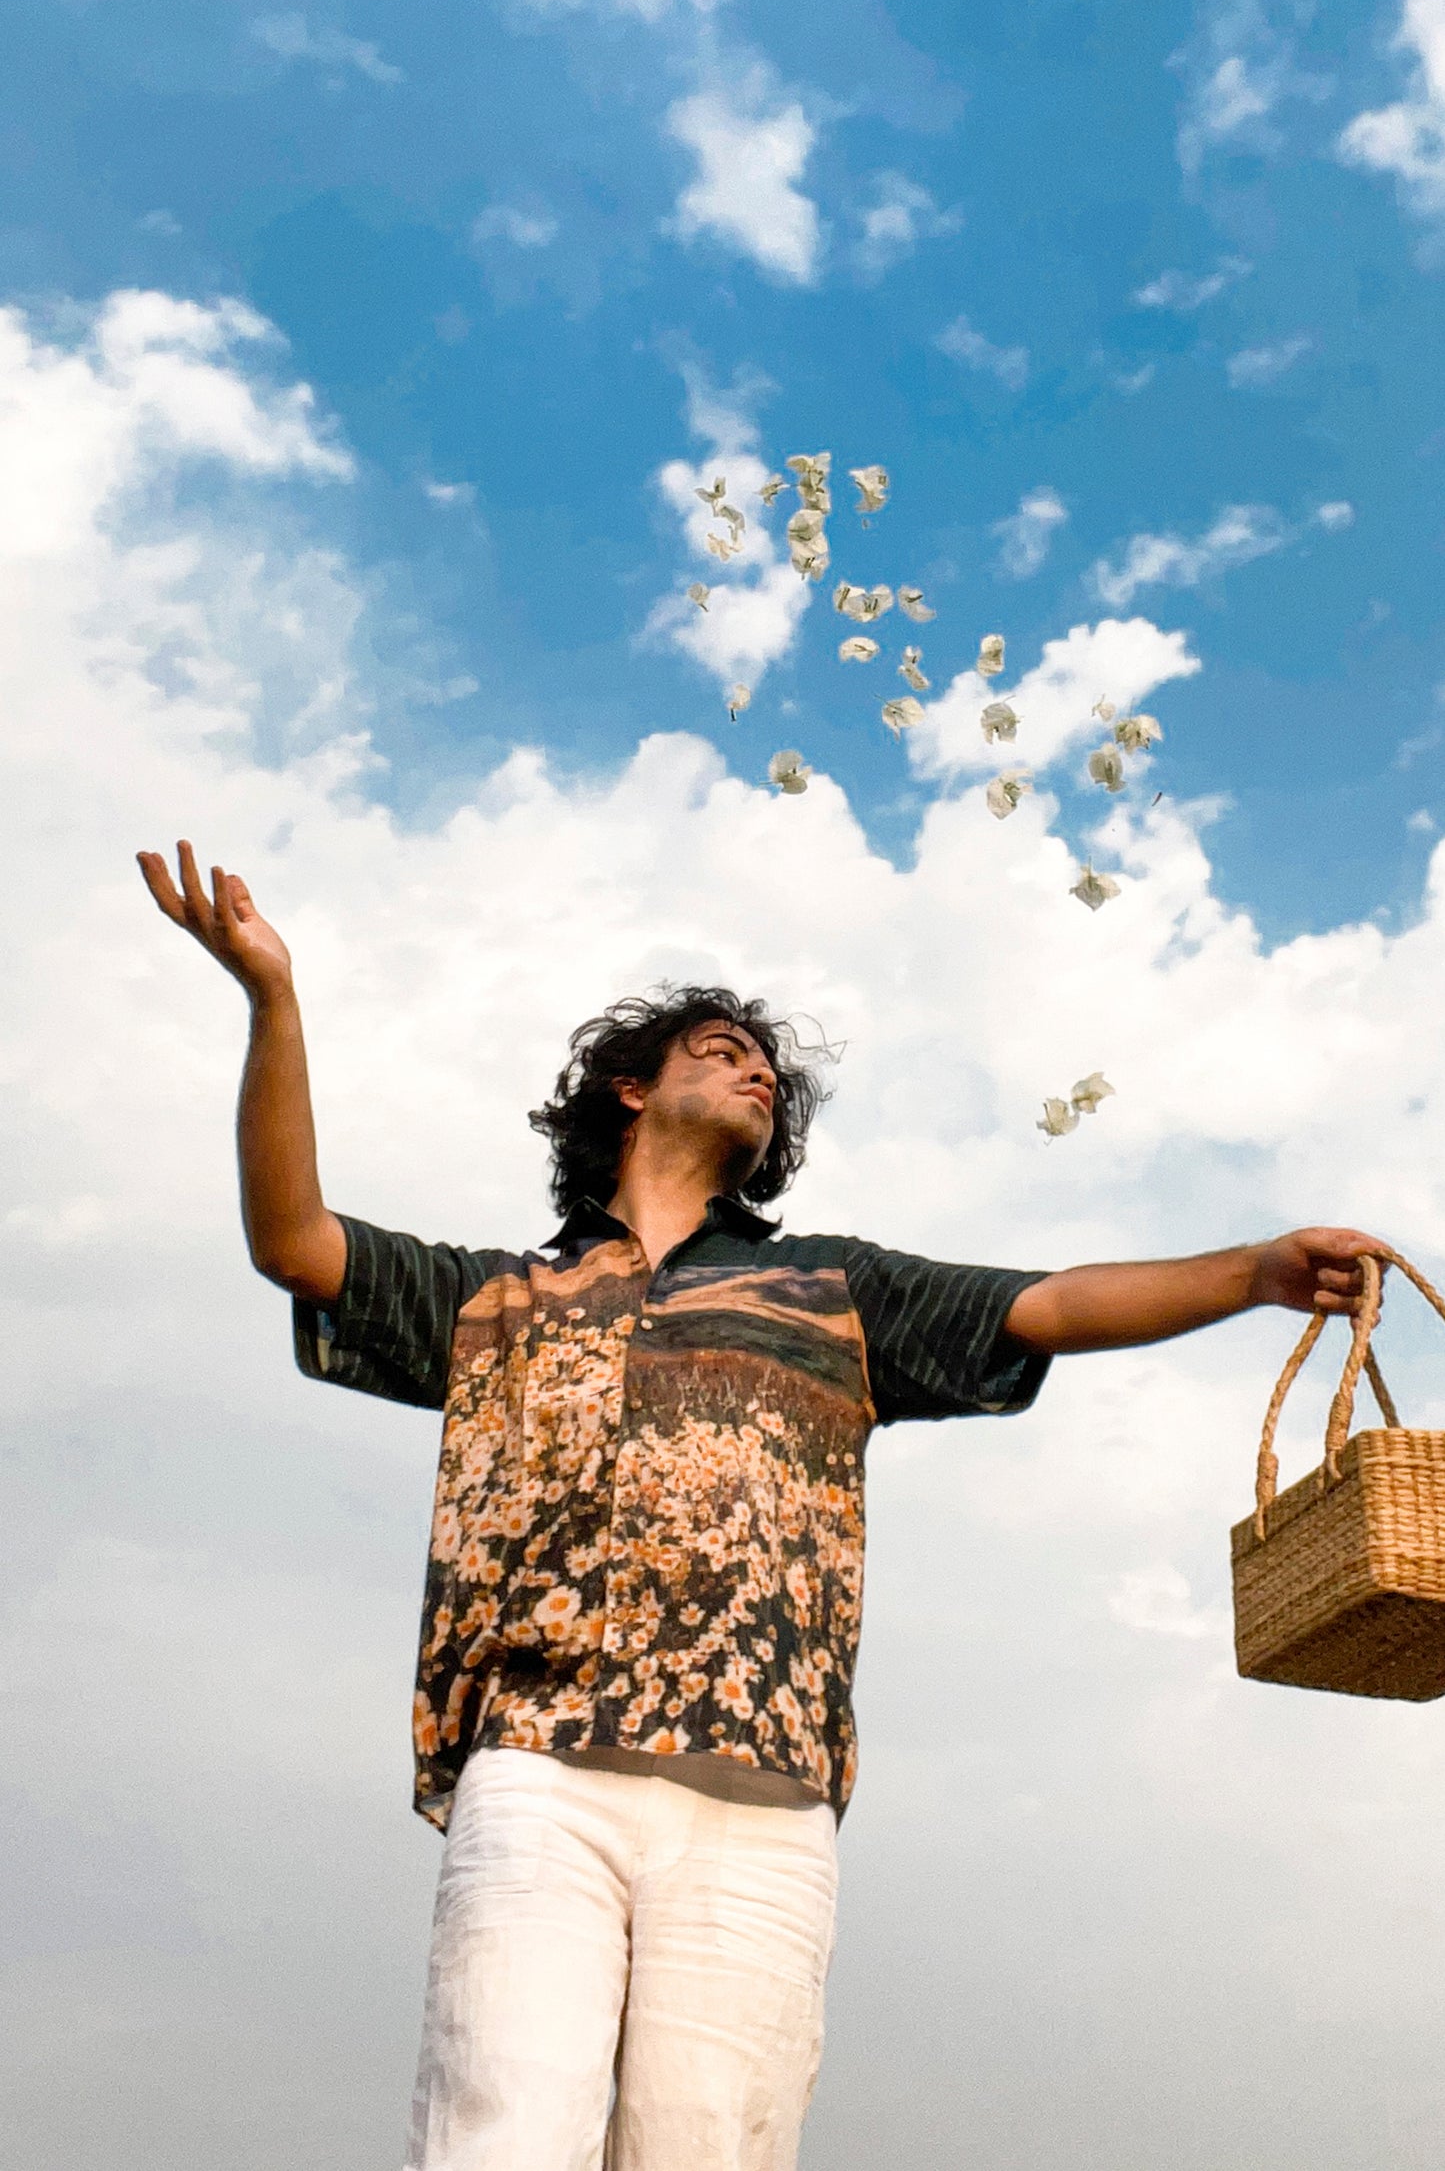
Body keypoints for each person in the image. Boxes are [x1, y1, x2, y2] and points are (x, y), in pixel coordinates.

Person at [137, 839, 1385, 2171]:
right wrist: (274, 999)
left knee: (706, 2148)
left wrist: (1252, 1268)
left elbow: (1054, 1300)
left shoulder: (829, 1287)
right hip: (538, 1761)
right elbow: (295, 1241)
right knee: (497, 2130)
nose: (756, 1071)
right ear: (633, 1083)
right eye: (725, 1046)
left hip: (760, 1783)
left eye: (765, 1070)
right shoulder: (497, 1296)